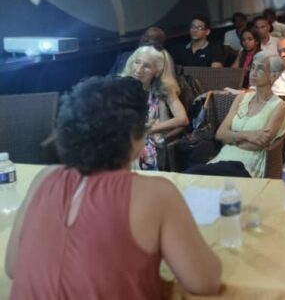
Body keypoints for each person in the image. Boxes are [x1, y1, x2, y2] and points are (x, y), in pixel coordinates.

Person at [5, 76, 222, 298]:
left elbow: (13, 266)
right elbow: (205, 282)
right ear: (133, 136)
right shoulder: (156, 193)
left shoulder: (43, 178)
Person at [186, 52, 285, 178]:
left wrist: (231, 139)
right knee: (192, 175)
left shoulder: (279, 106)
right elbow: (220, 134)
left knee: (194, 174)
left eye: (260, 69)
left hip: (247, 165)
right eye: (252, 67)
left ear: (274, 76)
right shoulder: (241, 98)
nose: (253, 72)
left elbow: (258, 144)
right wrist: (247, 135)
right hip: (222, 159)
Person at [121, 45, 189, 170]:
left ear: (157, 71)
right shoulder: (120, 86)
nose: (139, 69)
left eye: (146, 66)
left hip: (150, 142)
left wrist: (148, 129)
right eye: (137, 62)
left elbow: (183, 119)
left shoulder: (164, 89)